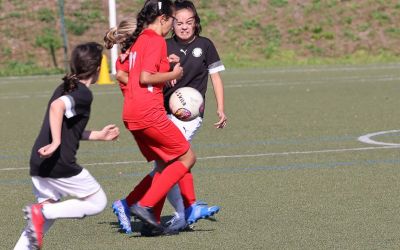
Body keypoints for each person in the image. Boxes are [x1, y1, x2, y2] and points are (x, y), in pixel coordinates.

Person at [14, 42, 120, 250]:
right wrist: (56, 142)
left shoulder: (66, 86)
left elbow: (68, 129)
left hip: (39, 161)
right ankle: (41, 212)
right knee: (97, 202)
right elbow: (57, 107)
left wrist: (98, 135)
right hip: (58, 163)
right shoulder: (82, 93)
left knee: (43, 222)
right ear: (99, 69)